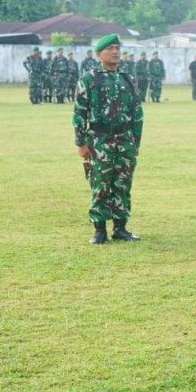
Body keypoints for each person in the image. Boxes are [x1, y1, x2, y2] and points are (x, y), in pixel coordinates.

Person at [73, 33, 143, 245]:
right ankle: (100, 229)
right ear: (99, 53)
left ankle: (120, 228)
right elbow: (79, 113)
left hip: (125, 139)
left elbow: (137, 112)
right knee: (100, 183)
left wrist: (136, 143)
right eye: (110, 48)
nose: (115, 52)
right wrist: (81, 142)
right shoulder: (89, 78)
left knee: (122, 183)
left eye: (117, 48)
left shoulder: (127, 79)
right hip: (99, 139)